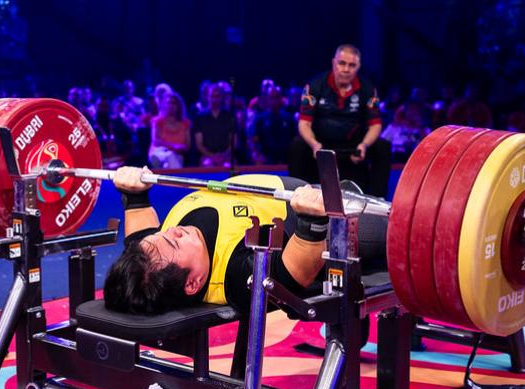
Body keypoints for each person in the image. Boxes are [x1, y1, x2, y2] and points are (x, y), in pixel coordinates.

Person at [103, 166, 387, 315]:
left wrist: (134, 193)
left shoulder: (151, 257)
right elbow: (288, 278)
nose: (172, 231)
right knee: (401, 226)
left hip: (292, 190)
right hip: (310, 215)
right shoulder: (233, 277)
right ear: (193, 283)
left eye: (161, 234)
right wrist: (313, 222)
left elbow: (138, 239)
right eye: (175, 242)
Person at [288, 44, 391, 198]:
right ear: (333, 63)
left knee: (382, 146)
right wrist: (314, 144)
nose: (346, 69)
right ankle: (295, 197)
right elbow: (304, 124)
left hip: (354, 147)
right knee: (297, 145)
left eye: (352, 65)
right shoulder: (315, 86)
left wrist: (364, 145)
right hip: (321, 148)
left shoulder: (368, 89)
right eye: (342, 63)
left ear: (358, 67)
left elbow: (375, 125)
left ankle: (378, 200)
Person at [193, 83, 236, 167]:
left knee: (228, 166)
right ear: (207, 97)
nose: (215, 99)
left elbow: (234, 142)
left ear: (222, 98)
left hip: (226, 156)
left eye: (218, 96)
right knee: (207, 164)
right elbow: (199, 144)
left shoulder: (230, 116)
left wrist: (223, 156)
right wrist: (212, 156)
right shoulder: (199, 117)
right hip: (206, 156)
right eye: (212, 96)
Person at [148, 92, 191, 169]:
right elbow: (155, 141)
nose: (171, 105)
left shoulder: (185, 123)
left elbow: (187, 145)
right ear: (164, 105)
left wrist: (178, 149)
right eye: (168, 103)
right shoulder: (157, 121)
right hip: (159, 151)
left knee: (170, 161)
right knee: (165, 156)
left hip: (177, 154)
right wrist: (173, 146)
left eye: (174, 103)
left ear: (179, 106)